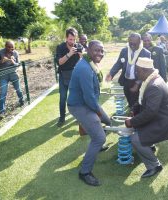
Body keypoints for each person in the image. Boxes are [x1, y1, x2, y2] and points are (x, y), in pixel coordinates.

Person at [125, 57, 168, 178]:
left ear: (144, 70)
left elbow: (150, 112)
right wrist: (134, 110)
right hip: (159, 117)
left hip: (164, 122)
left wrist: (132, 122)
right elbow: (143, 101)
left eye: (138, 71)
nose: (137, 74)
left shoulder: (154, 85)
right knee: (139, 129)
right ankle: (149, 145)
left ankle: (154, 165)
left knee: (135, 139)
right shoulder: (152, 79)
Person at [67, 40, 110, 186]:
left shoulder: (88, 63)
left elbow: (91, 95)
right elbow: (88, 97)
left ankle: (96, 144)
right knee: (99, 137)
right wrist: (97, 111)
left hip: (87, 103)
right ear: (89, 50)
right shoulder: (84, 68)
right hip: (79, 105)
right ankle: (84, 172)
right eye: (97, 50)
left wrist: (98, 111)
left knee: (108, 121)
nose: (100, 53)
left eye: (102, 50)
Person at [105, 33, 150, 110]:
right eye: (130, 43)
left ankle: (135, 114)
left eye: (134, 44)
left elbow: (146, 71)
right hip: (126, 80)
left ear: (140, 42)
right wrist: (111, 73)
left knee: (137, 100)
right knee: (129, 97)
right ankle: (131, 109)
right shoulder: (124, 51)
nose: (132, 45)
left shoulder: (145, 53)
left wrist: (137, 83)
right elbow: (119, 63)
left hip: (137, 82)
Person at [55, 27, 81, 127]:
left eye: (74, 39)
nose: (72, 42)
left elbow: (83, 62)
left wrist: (80, 55)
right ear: (66, 38)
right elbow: (59, 62)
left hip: (75, 75)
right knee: (63, 98)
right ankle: (62, 118)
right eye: (70, 39)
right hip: (63, 75)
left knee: (76, 97)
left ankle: (78, 116)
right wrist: (69, 54)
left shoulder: (78, 46)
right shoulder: (60, 47)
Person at [0, 41, 24, 116]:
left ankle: (22, 101)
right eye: (9, 47)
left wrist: (13, 62)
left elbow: (18, 64)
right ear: (5, 46)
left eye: (12, 47)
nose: (10, 48)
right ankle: (2, 111)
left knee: (18, 90)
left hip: (13, 74)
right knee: (3, 93)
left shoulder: (15, 53)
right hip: (3, 76)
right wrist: (1, 61)